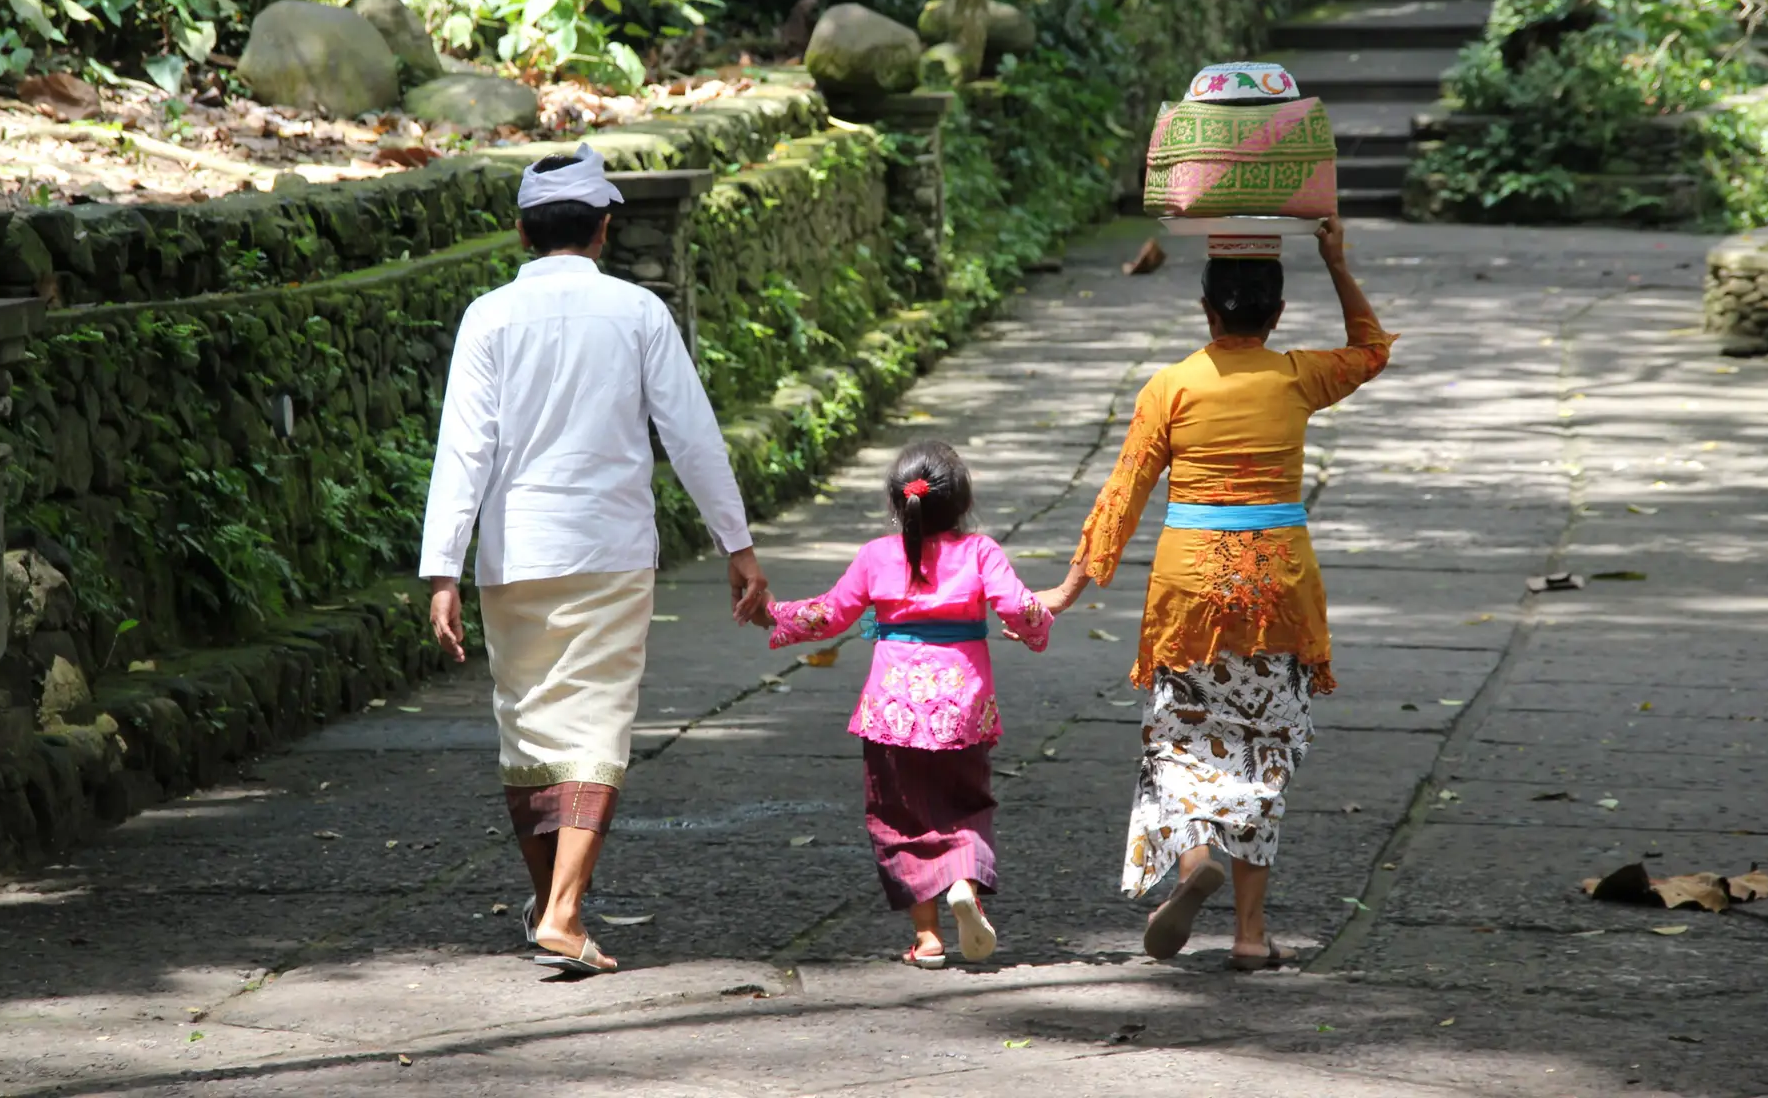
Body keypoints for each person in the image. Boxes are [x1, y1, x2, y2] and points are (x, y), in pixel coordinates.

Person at [420, 144, 769, 976]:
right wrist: (737, 543)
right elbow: (691, 434)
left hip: (514, 553)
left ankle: (550, 906)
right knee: (597, 725)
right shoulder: (637, 313)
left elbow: (462, 450)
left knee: (529, 728)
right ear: (604, 230)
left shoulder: (487, 317)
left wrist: (442, 570)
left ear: (520, 232)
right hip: (610, 549)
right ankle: (565, 910)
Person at [1037, 214, 1393, 970]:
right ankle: (1250, 936)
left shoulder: (1171, 386)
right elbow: (1370, 350)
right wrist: (1336, 260)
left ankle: (1195, 855)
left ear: (1206, 309)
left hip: (1190, 590)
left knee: (1180, 738)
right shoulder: (1297, 375)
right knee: (1263, 752)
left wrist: (1068, 589)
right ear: (1277, 313)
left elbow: (1123, 493)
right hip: (1275, 589)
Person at [755, 440, 1054, 968]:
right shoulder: (980, 551)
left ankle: (928, 938)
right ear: (962, 503)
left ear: (899, 504)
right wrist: (1036, 628)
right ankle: (963, 883)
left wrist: (774, 614)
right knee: (966, 803)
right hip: (962, 709)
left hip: (892, 713)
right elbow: (1018, 605)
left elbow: (829, 614)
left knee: (898, 816)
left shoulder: (877, 555)